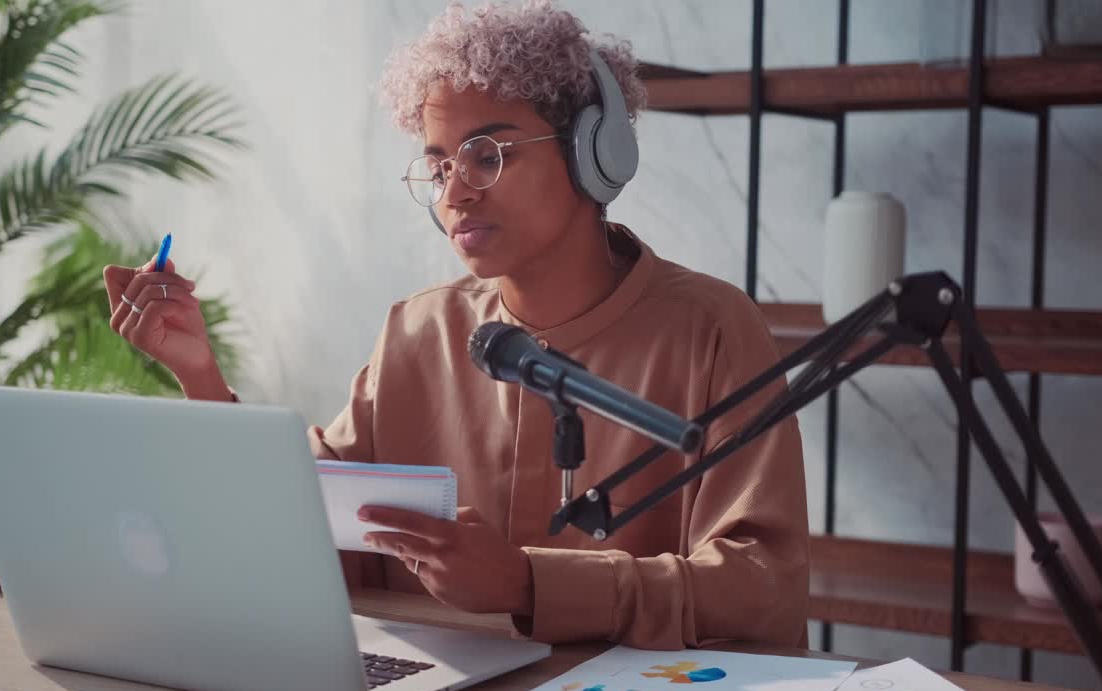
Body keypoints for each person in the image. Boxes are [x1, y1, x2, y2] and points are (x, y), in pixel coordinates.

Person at [102, 0, 808, 650]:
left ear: (595, 153)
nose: (455, 193)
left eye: (488, 155)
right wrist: (199, 374)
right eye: (439, 165)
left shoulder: (711, 330)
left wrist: (531, 585)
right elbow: (314, 529)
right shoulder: (419, 331)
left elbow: (757, 586)